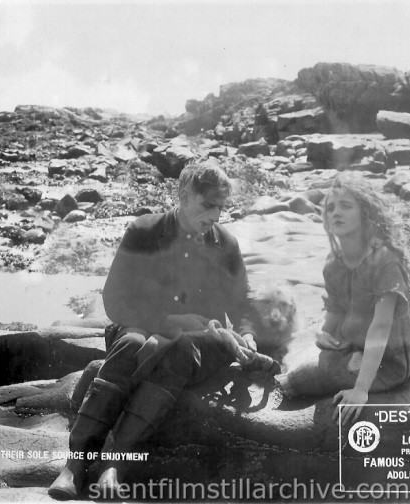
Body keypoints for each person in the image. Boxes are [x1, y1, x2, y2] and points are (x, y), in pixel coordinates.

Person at [48, 162, 258, 500]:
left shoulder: (226, 245)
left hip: (200, 344)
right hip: (140, 327)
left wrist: (247, 335)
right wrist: (172, 321)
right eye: (209, 205)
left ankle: (115, 464)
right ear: (184, 195)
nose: (216, 216)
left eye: (221, 207)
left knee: (179, 350)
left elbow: (242, 304)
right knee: (131, 342)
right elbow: (115, 301)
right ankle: (75, 463)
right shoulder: (144, 231)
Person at [276, 172, 410, 427]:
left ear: (366, 214)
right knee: (310, 356)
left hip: (392, 358)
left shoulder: (384, 260)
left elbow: (381, 326)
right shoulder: (334, 263)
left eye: (346, 206)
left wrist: (361, 391)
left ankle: (362, 373)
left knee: (302, 378)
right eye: (330, 208)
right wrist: (324, 333)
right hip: (358, 344)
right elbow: (335, 309)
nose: (336, 213)